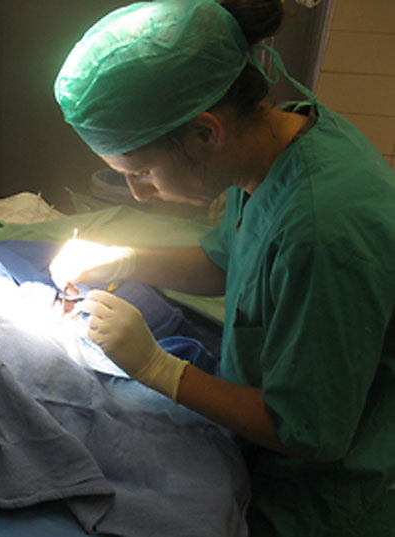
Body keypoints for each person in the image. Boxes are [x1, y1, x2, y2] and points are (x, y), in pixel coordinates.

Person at [51, 1, 394, 535]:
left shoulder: (323, 231)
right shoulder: (271, 143)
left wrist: (157, 368)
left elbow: (308, 430)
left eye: (141, 172)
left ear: (205, 133)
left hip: (311, 497)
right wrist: (130, 260)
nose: (138, 193)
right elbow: (233, 259)